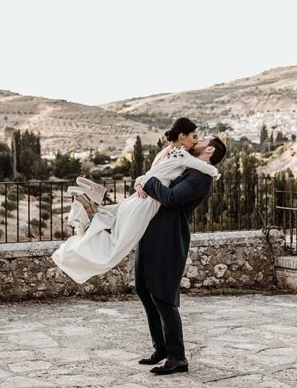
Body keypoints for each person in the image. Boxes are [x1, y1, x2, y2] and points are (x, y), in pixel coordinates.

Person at [51, 118, 219, 284]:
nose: (195, 141)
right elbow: (206, 168)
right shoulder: (181, 154)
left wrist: (140, 181)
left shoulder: (165, 152)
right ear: (182, 136)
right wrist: (215, 173)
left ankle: (94, 208)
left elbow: (149, 174)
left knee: (115, 224)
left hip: (139, 196)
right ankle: (93, 215)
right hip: (148, 201)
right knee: (117, 246)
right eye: (193, 137)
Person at [134, 134, 227, 375]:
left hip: (169, 238)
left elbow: (171, 198)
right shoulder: (187, 167)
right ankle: (161, 348)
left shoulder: (201, 177)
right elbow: (160, 181)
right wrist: (141, 181)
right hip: (151, 233)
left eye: (203, 139)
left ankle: (177, 358)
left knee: (163, 296)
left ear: (210, 150)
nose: (197, 140)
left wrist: (148, 181)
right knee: (144, 289)